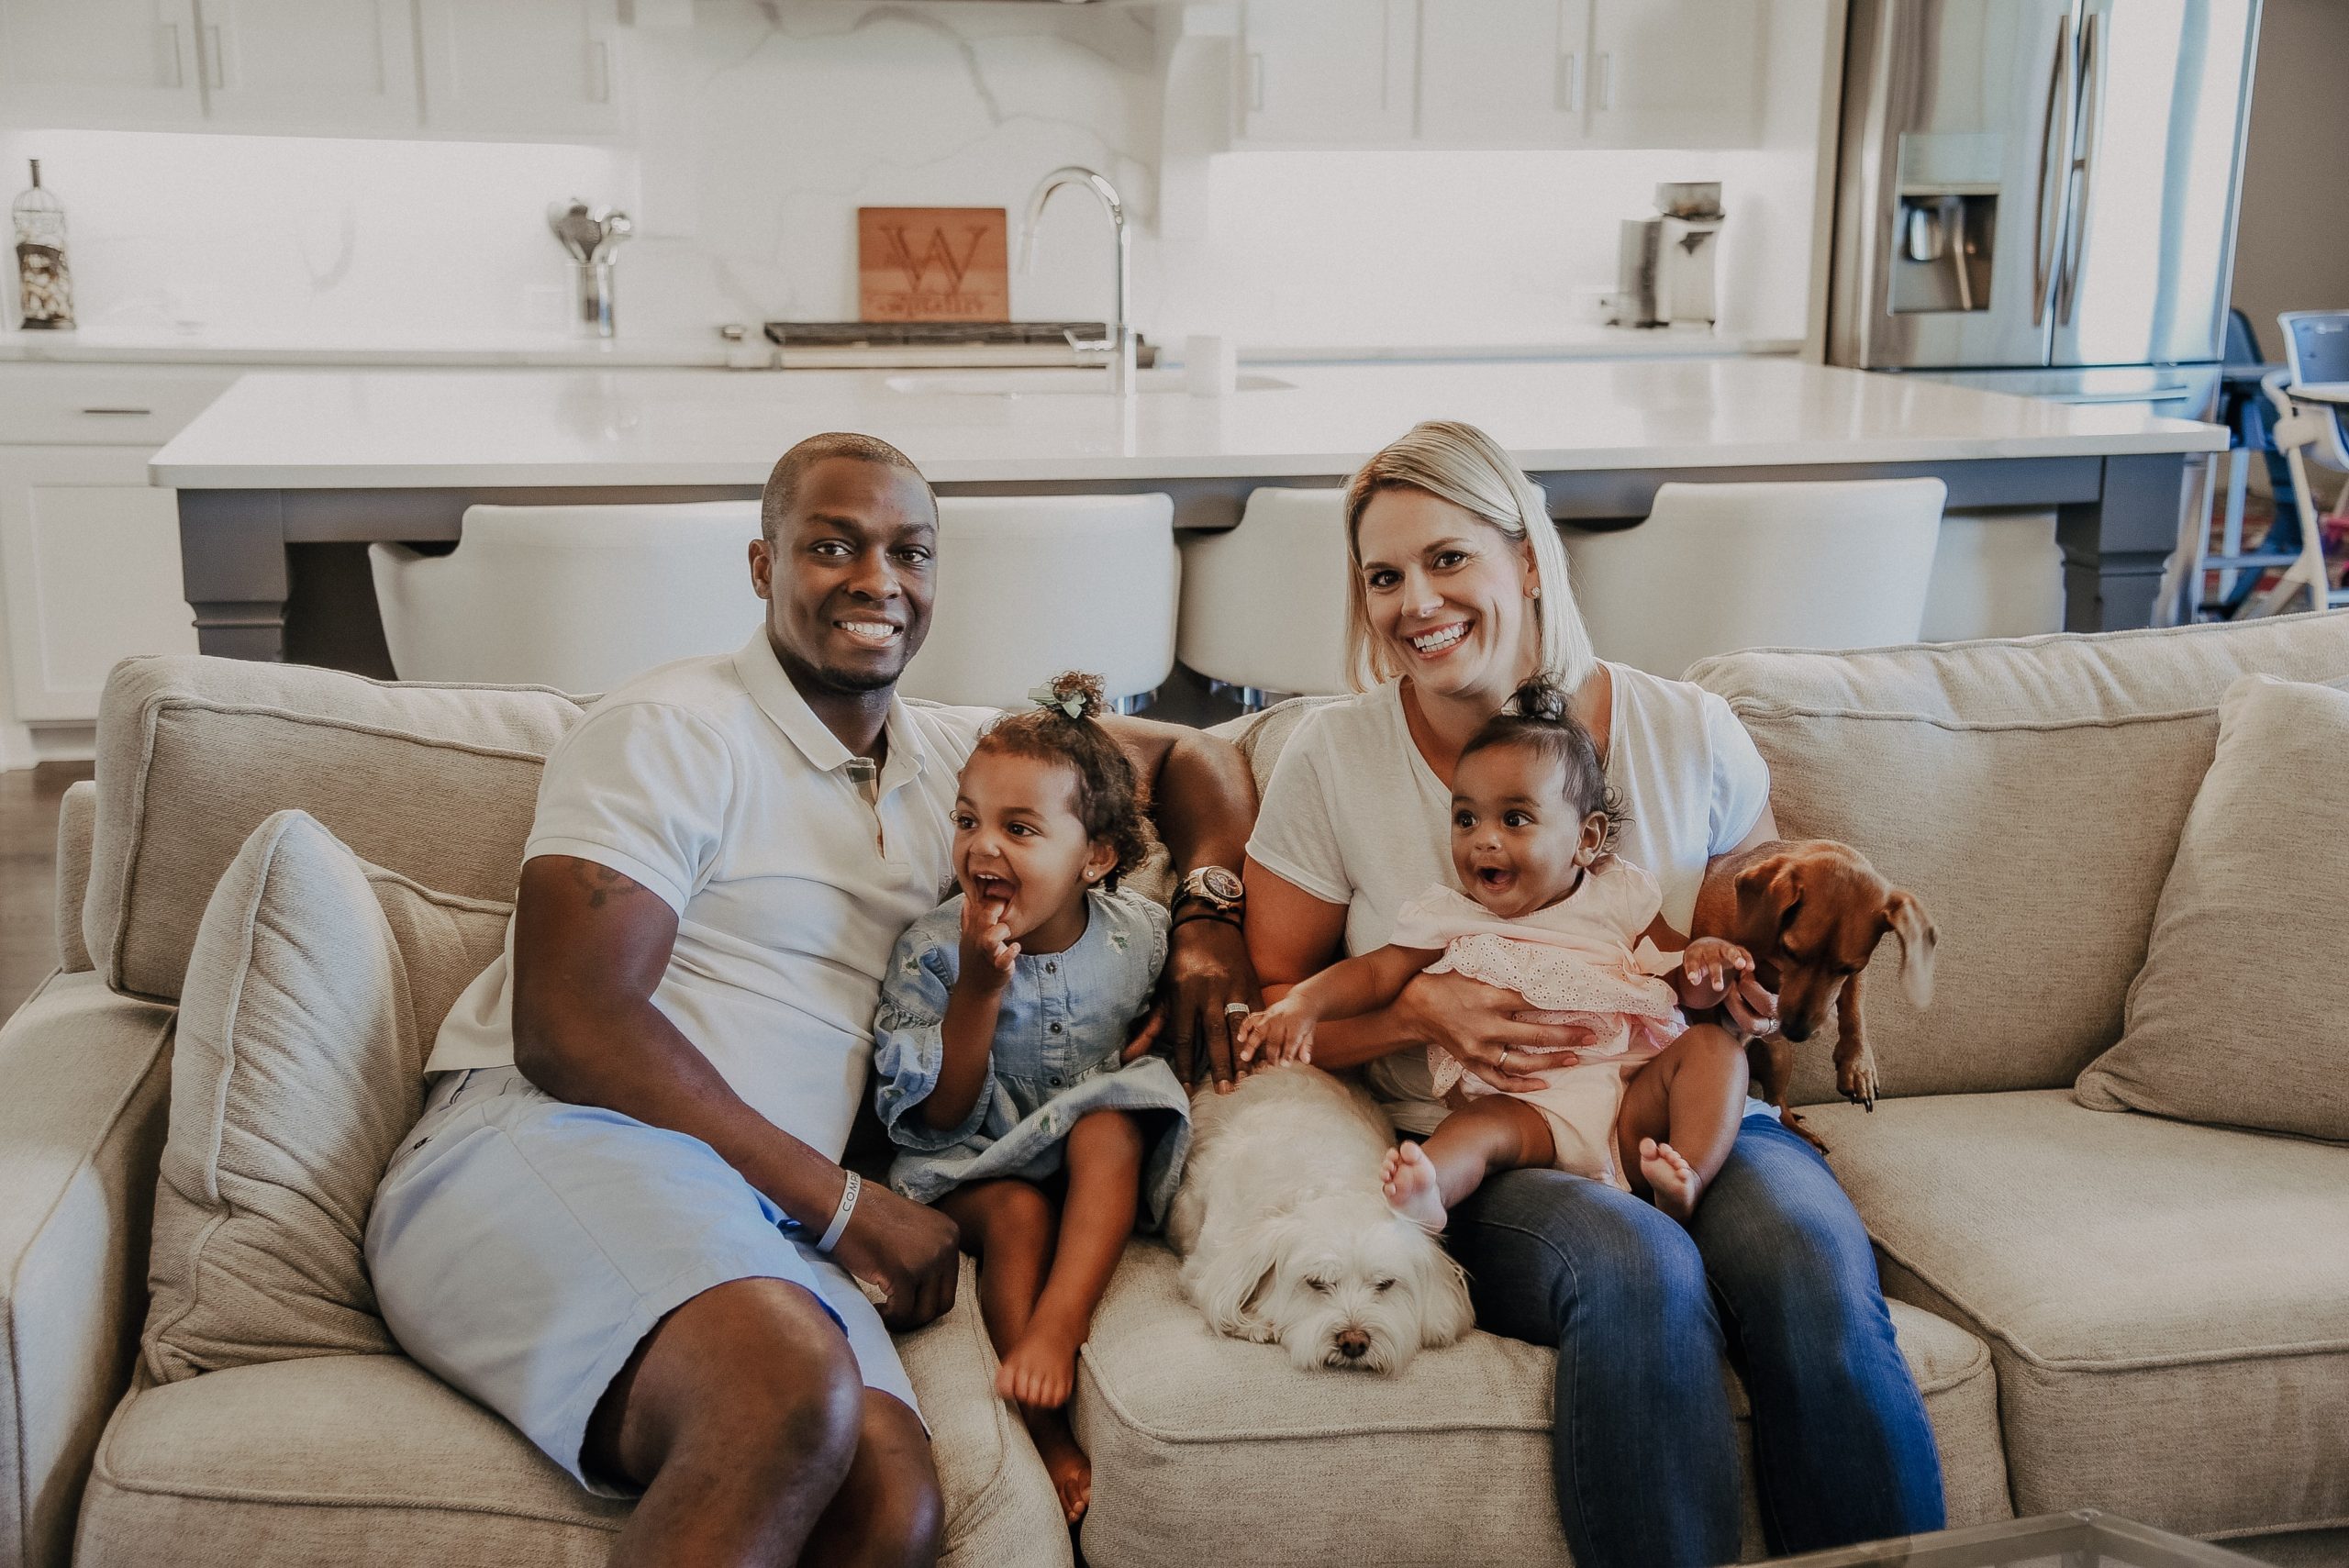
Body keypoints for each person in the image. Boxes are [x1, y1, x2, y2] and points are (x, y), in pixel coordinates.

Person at [364, 433, 1259, 1568]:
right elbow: (567, 1023)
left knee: (892, 1507)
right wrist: (843, 1203)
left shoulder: (950, 763)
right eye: (832, 544)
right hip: (545, 1142)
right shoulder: (670, 728)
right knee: (786, 1386)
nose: (876, 579)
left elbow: (1200, 759)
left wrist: (1209, 908)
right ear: (761, 565)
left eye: (909, 550)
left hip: (746, 1211)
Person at [1240, 419, 1945, 1567]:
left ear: (1526, 557)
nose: (1415, 600)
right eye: (1383, 575)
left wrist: (1735, 986)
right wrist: (1416, 1012)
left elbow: (1750, 948)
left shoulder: (1685, 729)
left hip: (1684, 1108)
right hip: (1492, 1145)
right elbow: (1280, 1004)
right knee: (1639, 1265)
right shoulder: (1334, 756)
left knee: (1812, 1263)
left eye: (1446, 558)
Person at [1240, 676, 1754, 1227]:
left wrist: (1705, 963)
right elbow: (1371, 975)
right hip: (1529, 1106)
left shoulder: (1619, 895)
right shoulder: (1447, 914)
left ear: (1586, 839)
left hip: (1635, 1094)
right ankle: (1426, 1191)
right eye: (1466, 819)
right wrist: (1304, 1004)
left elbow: (1678, 982)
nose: (1484, 839)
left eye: (1514, 819)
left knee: (1715, 1050)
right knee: (1475, 1129)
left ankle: (1687, 1176)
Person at [873, 670, 1192, 1524]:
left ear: (1095, 856)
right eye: (968, 819)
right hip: (969, 1162)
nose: (983, 848)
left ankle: (1062, 1318)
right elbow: (935, 1117)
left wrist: (1170, 1007)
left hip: (1084, 1145)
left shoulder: (1137, 933)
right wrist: (978, 988)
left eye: (1020, 828)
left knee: (1111, 1127)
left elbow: (1180, 984)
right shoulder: (935, 952)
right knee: (1016, 1214)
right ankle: (1044, 1422)